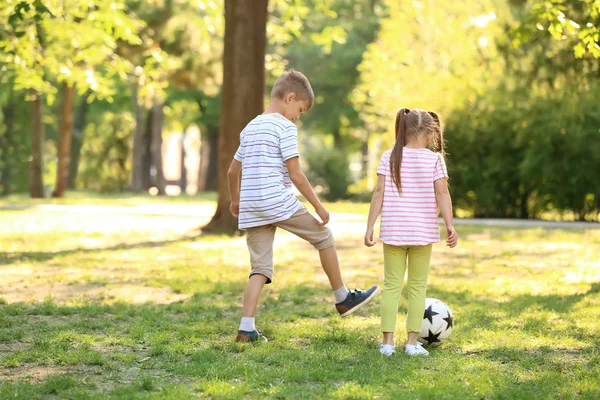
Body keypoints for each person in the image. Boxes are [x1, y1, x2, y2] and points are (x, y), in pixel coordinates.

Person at [228, 69, 380, 342]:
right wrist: (318, 206)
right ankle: (342, 297)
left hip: (252, 206)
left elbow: (231, 172)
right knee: (324, 237)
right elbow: (295, 173)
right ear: (289, 98)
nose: (298, 116)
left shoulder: (249, 128)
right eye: (300, 109)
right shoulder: (285, 127)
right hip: (277, 200)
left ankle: (246, 327)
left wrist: (236, 200)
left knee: (260, 268)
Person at [364, 108, 458, 356]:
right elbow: (442, 193)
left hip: (394, 231)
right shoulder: (435, 160)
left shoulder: (390, 156)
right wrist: (449, 225)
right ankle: (411, 344)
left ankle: (387, 343)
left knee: (392, 286)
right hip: (423, 234)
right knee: (418, 287)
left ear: (403, 131)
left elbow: (379, 193)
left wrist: (370, 224)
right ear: (430, 134)